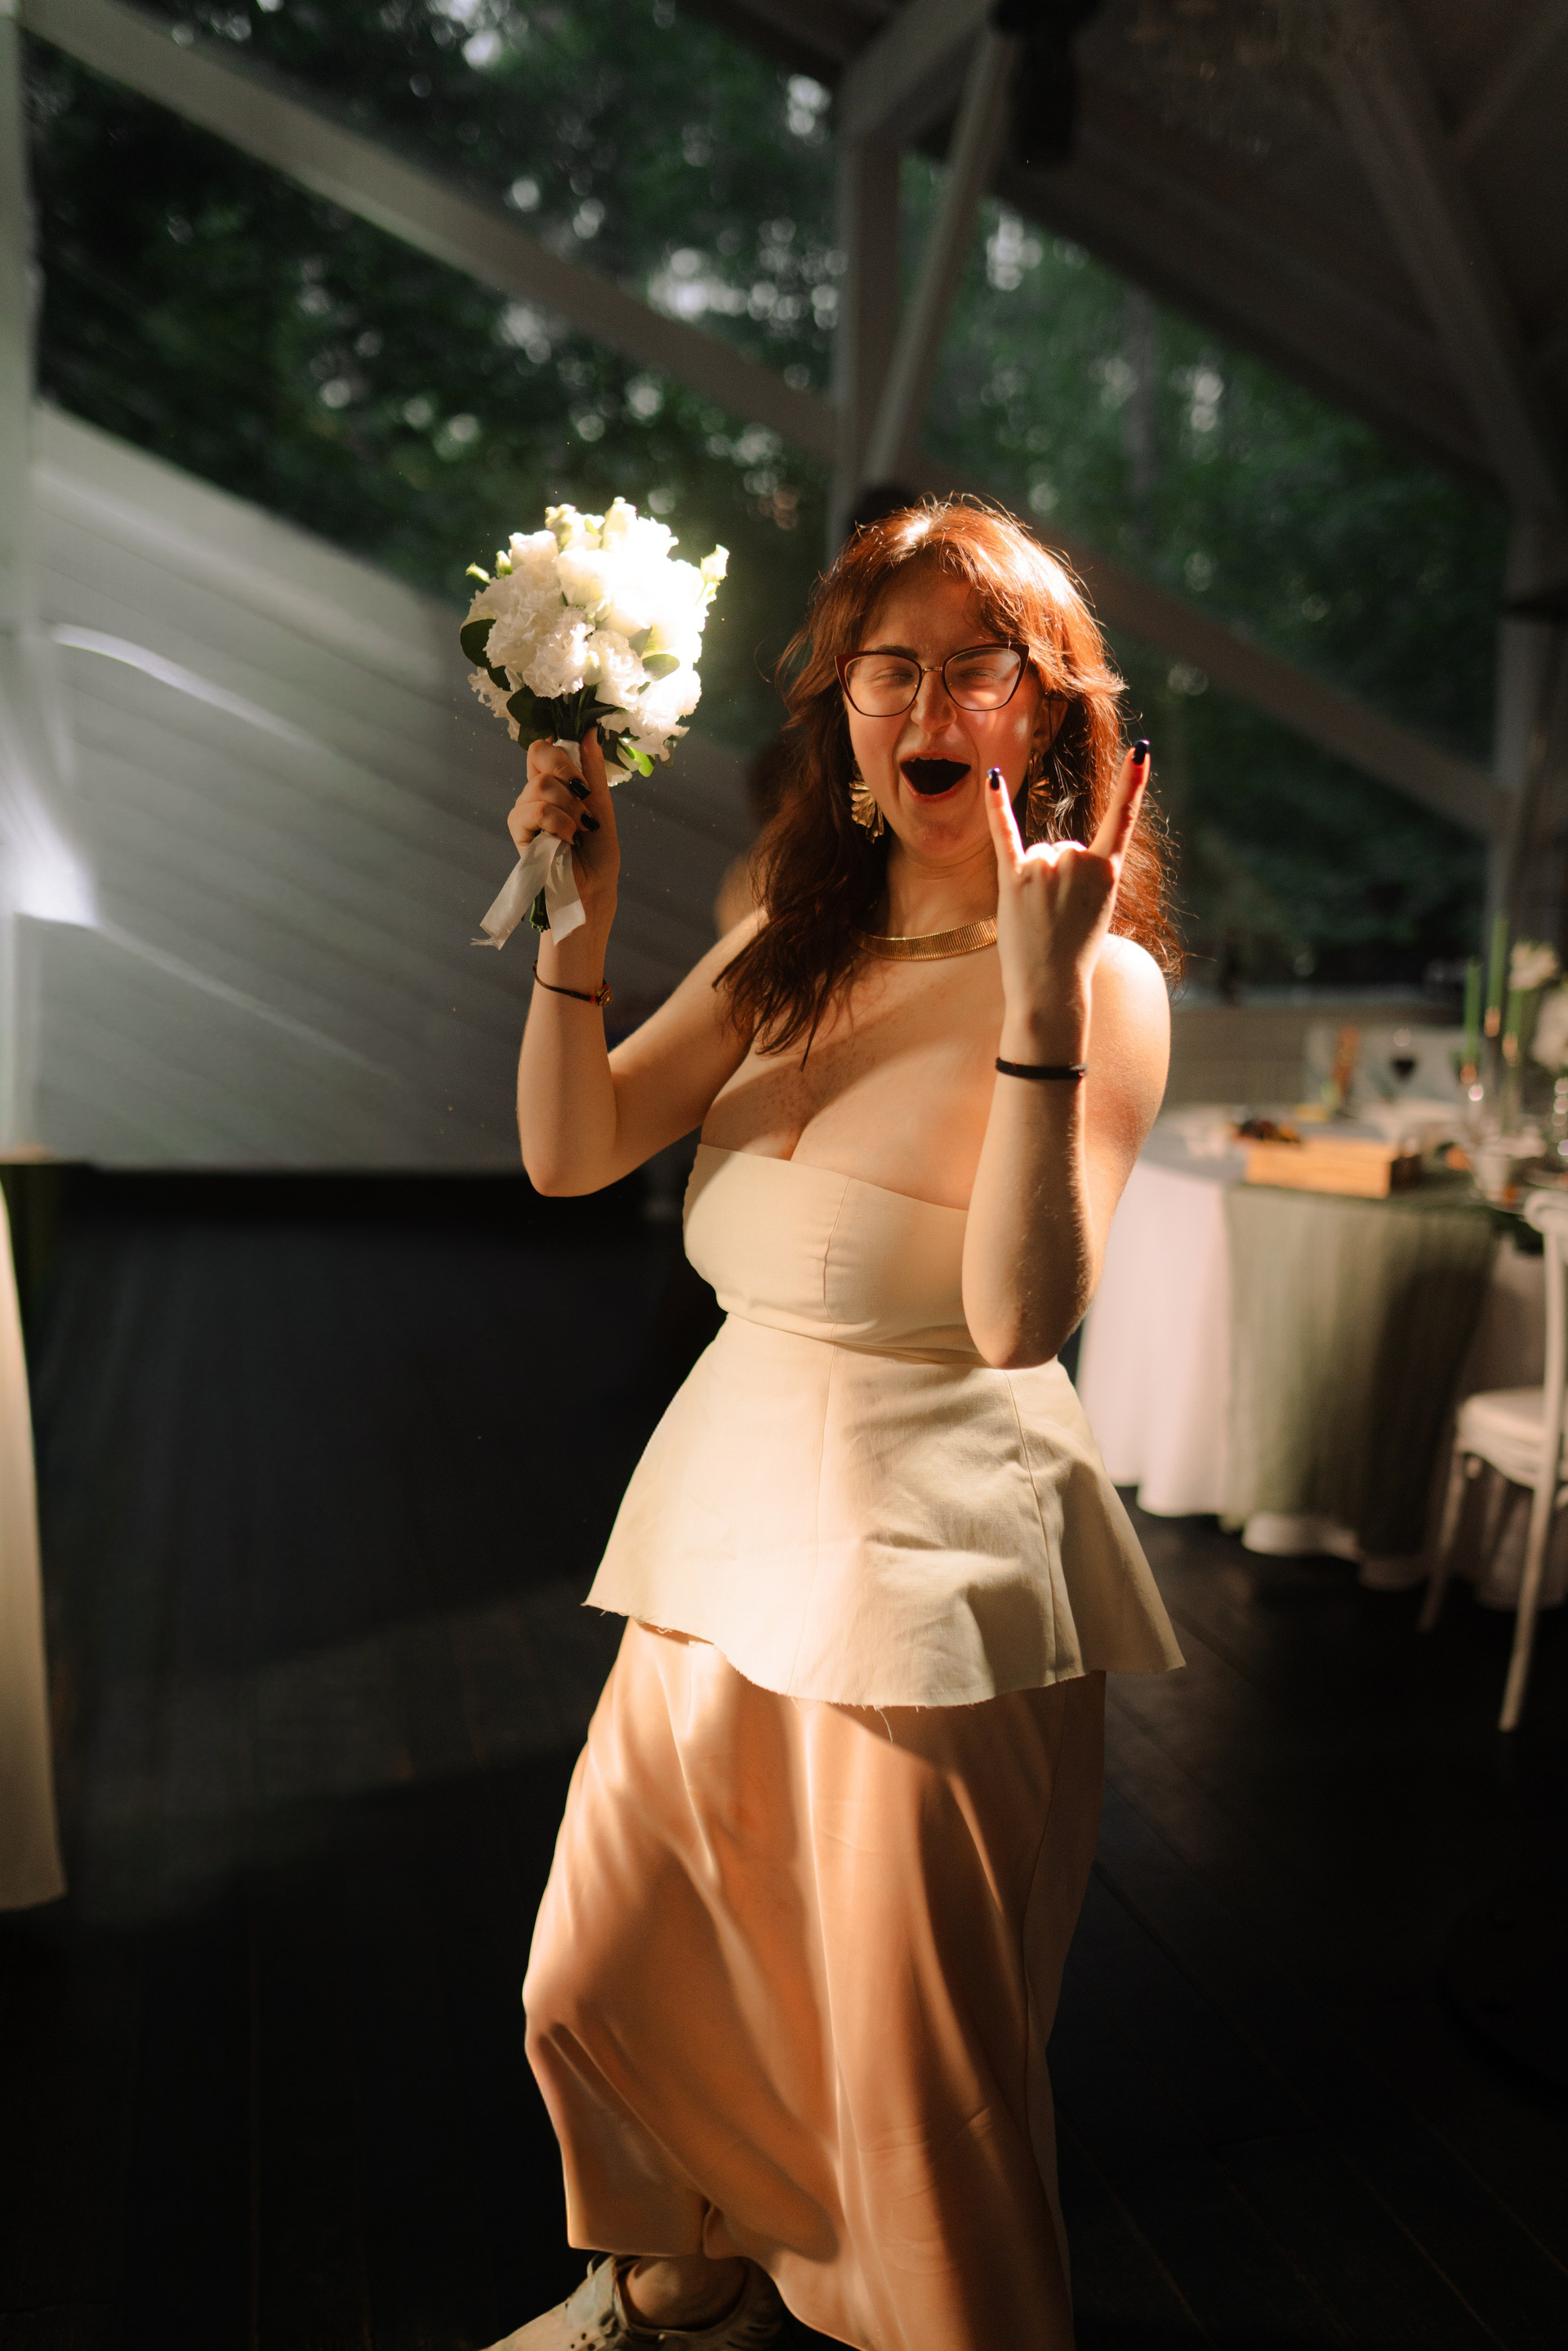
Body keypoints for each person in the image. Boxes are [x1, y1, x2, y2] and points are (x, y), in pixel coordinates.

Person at [488, 499, 1184, 2351]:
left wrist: (1039, 1000)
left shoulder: (1103, 984)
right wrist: (580, 921)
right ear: (848, 713)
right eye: (892, 669)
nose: (929, 704)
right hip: (720, 1528)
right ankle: (683, 2292)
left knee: (913, 2085)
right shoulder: (790, 943)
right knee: (603, 1978)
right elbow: (571, 1151)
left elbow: (1021, 1321)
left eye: (978, 668)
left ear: (1048, 712)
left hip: (928, 1564)